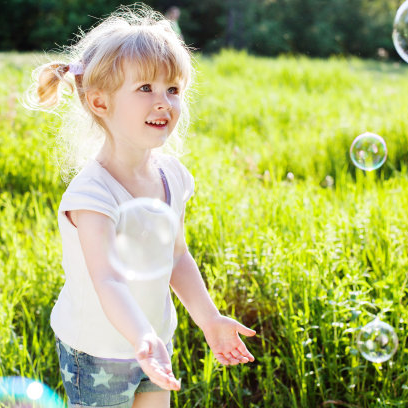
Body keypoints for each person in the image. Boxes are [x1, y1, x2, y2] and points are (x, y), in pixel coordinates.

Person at [28, 4, 255, 408]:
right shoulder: (92, 196)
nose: (164, 102)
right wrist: (141, 338)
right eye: (145, 88)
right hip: (98, 351)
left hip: (154, 341)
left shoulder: (173, 177)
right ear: (100, 103)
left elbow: (177, 255)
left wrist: (209, 319)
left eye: (173, 89)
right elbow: (109, 280)